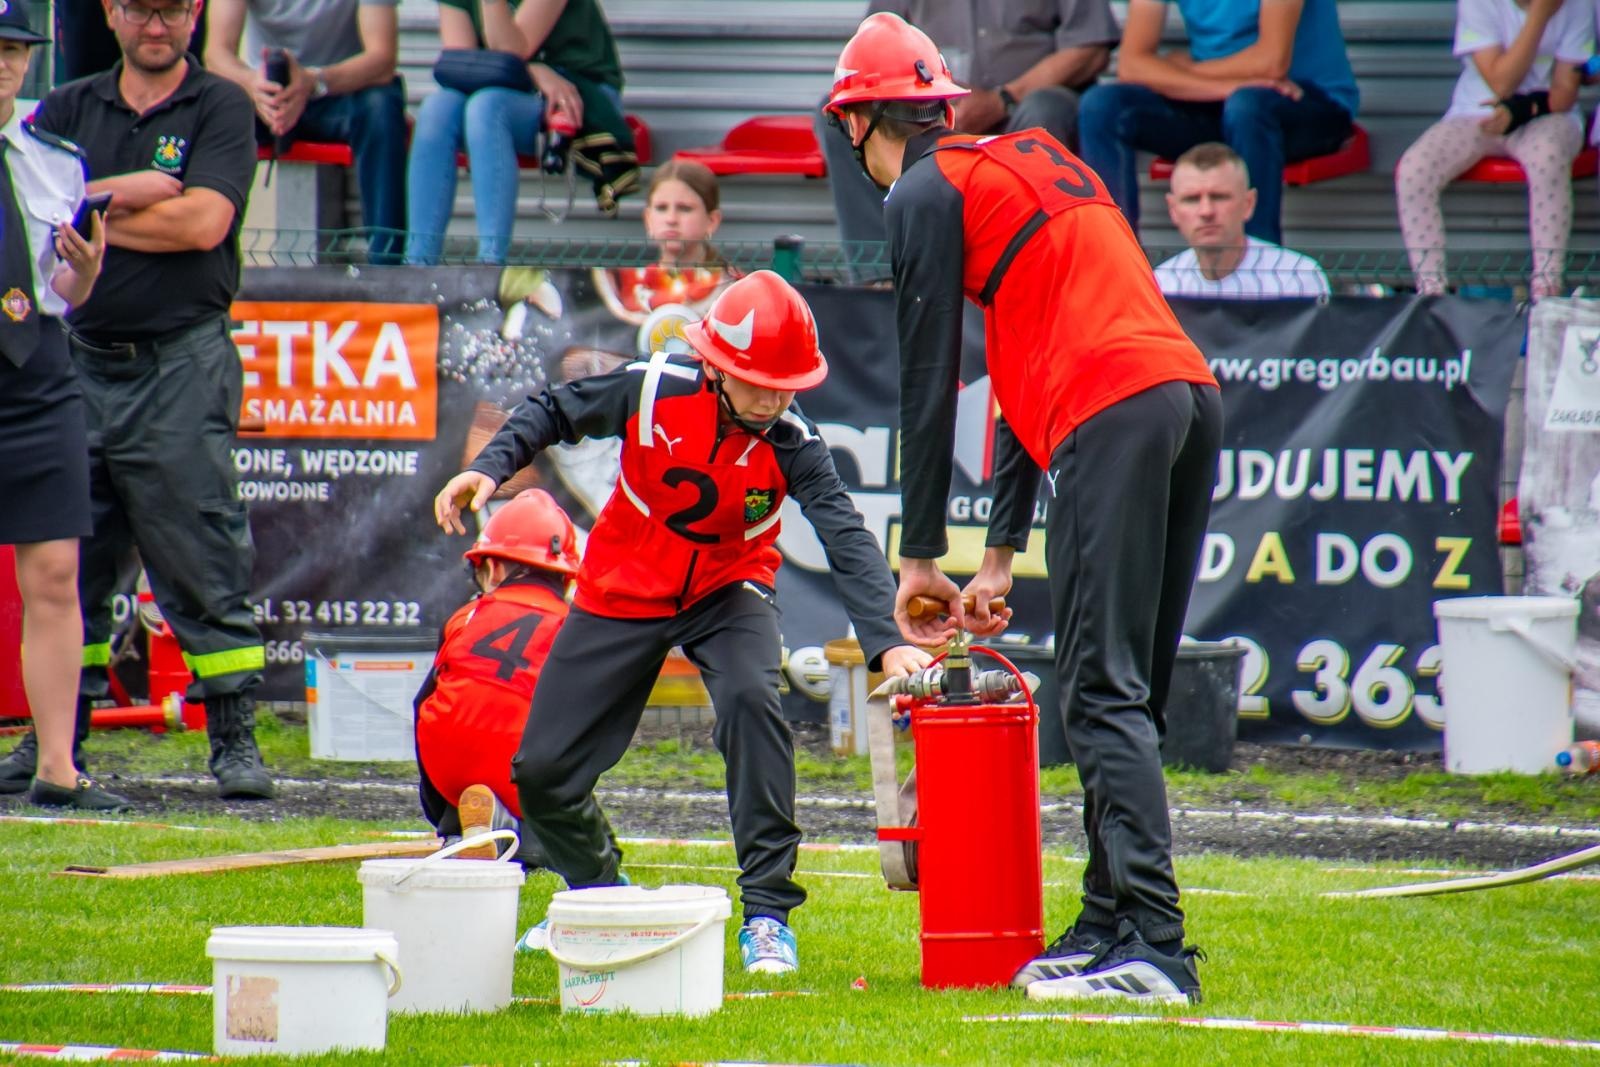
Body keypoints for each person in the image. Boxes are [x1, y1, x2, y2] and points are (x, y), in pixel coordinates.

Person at [825, 13, 1221, 1003]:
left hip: (1111, 406)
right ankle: (1110, 915)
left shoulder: (922, 188)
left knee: (1097, 688)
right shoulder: (1023, 165)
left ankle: (1157, 949)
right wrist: (997, 554)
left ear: (868, 120)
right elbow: (1012, 373)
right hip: (1182, 396)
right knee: (1126, 686)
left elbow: (926, 375)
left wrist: (919, 558)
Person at [434, 270, 930, 975]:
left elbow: (845, 534)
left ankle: (767, 916)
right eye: (758, 380)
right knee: (540, 772)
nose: (774, 397)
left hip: (730, 590)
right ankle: (601, 898)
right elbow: (550, 410)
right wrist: (489, 467)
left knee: (755, 700)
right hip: (621, 587)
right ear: (715, 367)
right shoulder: (650, 386)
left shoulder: (793, 438)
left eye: (788, 382)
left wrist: (888, 646)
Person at [24, 0, 273, 800]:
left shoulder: (222, 104)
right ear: (111, 12)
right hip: (77, 362)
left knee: (201, 547)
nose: (155, 26)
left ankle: (234, 737)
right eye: (139, 8)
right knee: (68, 561)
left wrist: (80, 210)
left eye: (171, 9)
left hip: (181, 362)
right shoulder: (68, 105)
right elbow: (30, 207)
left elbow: (203, 223)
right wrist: (122, 196)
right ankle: (57, 740)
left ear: (197, 12)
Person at [0, 2, 125, 810]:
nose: (5, 64)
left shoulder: (57, 161)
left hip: (37, 371)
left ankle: (57, 766)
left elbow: (64, 292)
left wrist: (84, 273)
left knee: (53, 573)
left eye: (16, 51)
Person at [818, 0, 1119, 283]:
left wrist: (1005, 98)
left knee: (1045, 110)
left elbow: (1090, 48)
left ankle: (1027, 273)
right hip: (930, 107)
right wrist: (926, 96)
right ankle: (882, 278)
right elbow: (873, 45)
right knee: (845, 116)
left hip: (1024, 105)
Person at [1077, 0, 1358, 246]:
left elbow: (1271, 62)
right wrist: (1225, 86)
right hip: (1224, 103)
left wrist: (1183, 71)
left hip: (1310, 102)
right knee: (1101, 106)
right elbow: (1132, 65)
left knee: (1248, 106)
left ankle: (1258, 277)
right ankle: (1117, 266)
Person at [414, 488, 586, 863]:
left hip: (449, 773)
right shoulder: (572, 627)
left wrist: (440, 807)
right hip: (523, 777)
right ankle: (532, 841)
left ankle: (458, 827)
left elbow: (420, 705)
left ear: (493, 567)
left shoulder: (463, 617)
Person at [1396, 0, 1592, 300]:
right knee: (1414, 169)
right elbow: (1502, 83)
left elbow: (1565, 92)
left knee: (1548, 157)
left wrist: (1524, 109)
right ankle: (1431, 293)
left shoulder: (1577, 5)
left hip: (1547, 115)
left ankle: (1546, 289)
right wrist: (1539, 15)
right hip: (1476, 112)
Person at [404, 0, 625, 265]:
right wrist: (533, 70)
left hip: (577, 90)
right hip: (508, 85)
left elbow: (511, 48)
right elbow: (463, 65)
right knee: (436, 108)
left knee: (486, 107)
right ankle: (417, 262)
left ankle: (490, 264)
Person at [205, 0, 408, 264]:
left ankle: (387, 265)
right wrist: (254, 85)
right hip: (266, 92)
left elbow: (382, 59)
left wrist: (313, 81)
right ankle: (210, 260)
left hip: (339, 90)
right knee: (219, 110)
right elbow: (216, 54)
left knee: (382, 107)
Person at [1155, 142, 1330, 298]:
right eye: (1192, 199)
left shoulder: (1298, 276)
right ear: (1173, 209)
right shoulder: (1162, 284)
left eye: (1219, 197)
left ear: (1248, 204)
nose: (1206, 211)